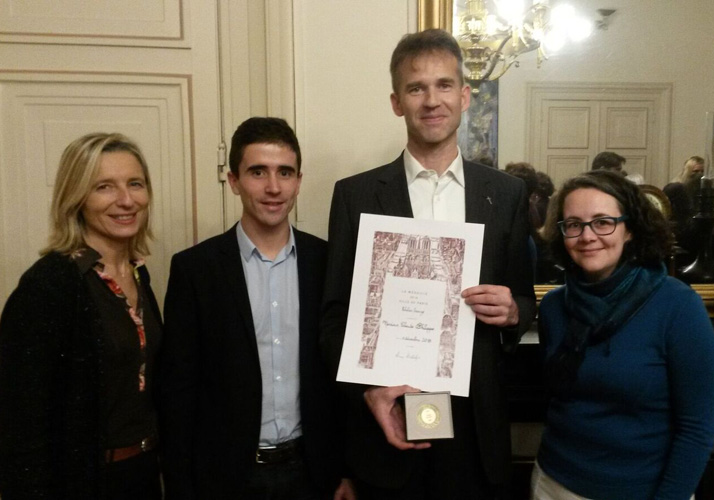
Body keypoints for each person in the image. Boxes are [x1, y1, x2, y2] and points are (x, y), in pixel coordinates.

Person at [320, 29, 536, 499]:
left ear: (464, 96)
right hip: (390, 425)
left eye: (443, 85)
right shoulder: (355, 196)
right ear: (397, 102)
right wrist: (367, 393)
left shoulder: (505, 194)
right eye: (416, 88)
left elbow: (523, 298)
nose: (431, 100)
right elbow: (336, 317)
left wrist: (514, 311)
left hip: (477, 430)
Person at [159, 117, 354, 500]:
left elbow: (341, 380)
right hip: (226, 479)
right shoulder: (195, 270)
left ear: (299, 180)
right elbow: (177, 392)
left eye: (285, 172)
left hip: (314, 476)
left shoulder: (327, 262)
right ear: (234, 180)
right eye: (257, 172)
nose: (273, 187)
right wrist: (181, 487)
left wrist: (346, 471)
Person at [534, 170, 714, 500]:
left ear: (630, 228)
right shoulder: (554, 307)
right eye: (574, 224)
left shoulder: (677, 307)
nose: (587, 235)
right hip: (553, 482)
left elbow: (697, 429)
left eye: (603, 222)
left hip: (643, 490)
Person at [0, 133, 162, 499]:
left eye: (135, 184)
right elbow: (20, 422)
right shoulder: (50, 284)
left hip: (143, 474)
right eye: (103, 186)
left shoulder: (139, 274)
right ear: (77, 198)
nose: (125, 200)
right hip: (83, 482)